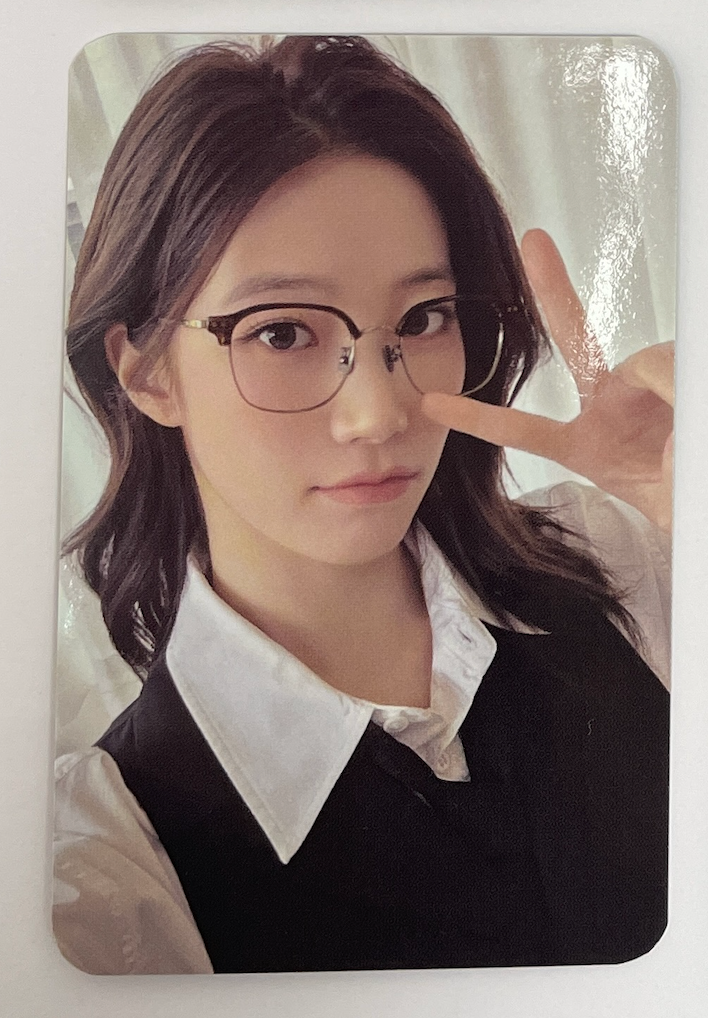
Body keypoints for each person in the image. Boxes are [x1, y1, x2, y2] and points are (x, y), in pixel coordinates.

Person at [53, 35, 673, 974]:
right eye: (282, 333)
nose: (381, 412)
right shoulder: (107, 864)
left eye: (423, 319)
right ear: (146, 372)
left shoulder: (621, 560)